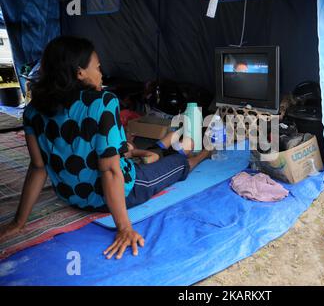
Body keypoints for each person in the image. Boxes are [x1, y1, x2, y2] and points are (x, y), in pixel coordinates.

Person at [0, 36, 210, 259]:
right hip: (115, 194)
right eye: (98, 68)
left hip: (71, 197)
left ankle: (161, 147)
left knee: (138, 153)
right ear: (80, 73)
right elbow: (110, 171)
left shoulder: (33, 111)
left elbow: (38, 167)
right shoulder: (103, 102)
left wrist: (18, 222)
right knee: (176, 165)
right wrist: (124, 228)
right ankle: (205, 154)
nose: (101, 74)